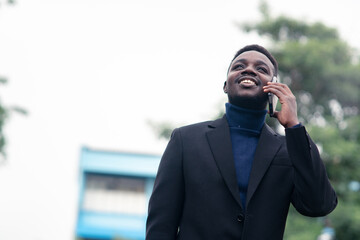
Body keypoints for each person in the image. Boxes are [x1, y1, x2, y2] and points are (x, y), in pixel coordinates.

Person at [146, 44, 337, 240]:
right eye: (238, 66)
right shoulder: (185, 140)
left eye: (261, 69)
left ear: (273, 87)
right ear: (225, 85)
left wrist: (294, 127)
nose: (249, 70)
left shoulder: (289, 149)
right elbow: (161, 224)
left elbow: (319, 205)